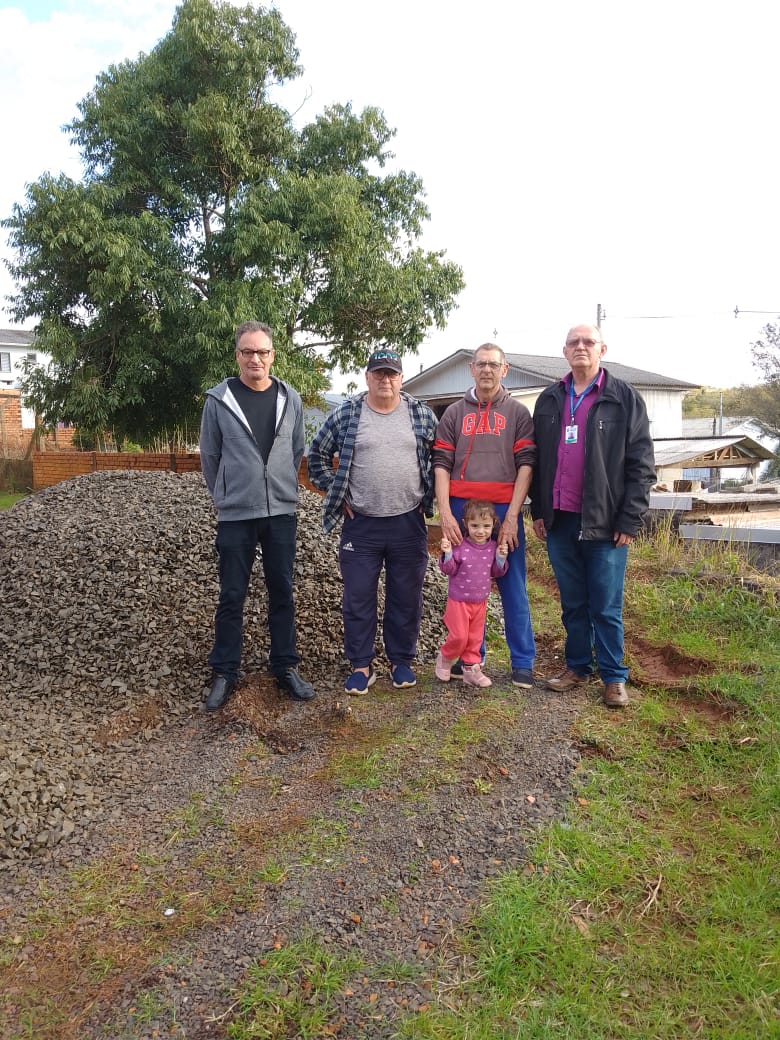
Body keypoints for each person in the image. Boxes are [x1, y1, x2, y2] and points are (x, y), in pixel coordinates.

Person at [530, 323, 655, 708]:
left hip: (604, 521)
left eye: (588, 342)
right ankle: (578, 666)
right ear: (564, 351)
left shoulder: (624, 398)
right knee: (573, 601)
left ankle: (614, 677)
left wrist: (629, 519)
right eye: (574, 342)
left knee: (605, 604)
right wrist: (539, 510)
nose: (580, 347)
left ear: (602, 348)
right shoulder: (550, 399)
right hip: (560, 520)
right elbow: (537, 460)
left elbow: (641, 464)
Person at [199, 320, 316, 710]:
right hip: (236, 514)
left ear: (272, 356)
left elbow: (296, 449)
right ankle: (225, 672)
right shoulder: (219, 401)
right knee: (232, 594)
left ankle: (284, 667)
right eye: (248, 352)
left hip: (281, 511)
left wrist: (278, 487)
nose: (255, 359)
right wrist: (227, 494)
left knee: (282, 591)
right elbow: (211, 458)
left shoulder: (290, 398)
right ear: (237, 355)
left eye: (262, 352)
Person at [307, 348, 437, 694]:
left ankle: (401, 662)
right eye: (378, 373)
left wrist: (436, 499)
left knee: (405, 596)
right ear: (367, 377)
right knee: (359, 595)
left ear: (401, 378)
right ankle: (361, 666)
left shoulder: (420, 415)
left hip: (408, 522)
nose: (385, 379)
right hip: (361, 524)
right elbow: (316, 453)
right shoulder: (348, 413)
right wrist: (335, 491)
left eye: (391, 373)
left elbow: (440, 459)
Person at [433, 343, 537, 688]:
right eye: (481, 364)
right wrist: (445, 513)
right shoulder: (453, 413)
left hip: (504, 508)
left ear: (504, 369)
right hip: (463, 508)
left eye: (494, 364)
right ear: (471, 369)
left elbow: (526, 466)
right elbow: (441, 465)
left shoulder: (519, 414)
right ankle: (470, 660)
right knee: (465, 584)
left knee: (511, 584)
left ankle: (522, 661)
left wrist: (512, 517)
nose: (487, 370)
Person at [436, 500, 509, 688]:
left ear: (494, 524)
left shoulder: (493, 547)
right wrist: (447, 553)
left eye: (486, 526)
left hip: (480, 602)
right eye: (475, 525)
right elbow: (448, 569)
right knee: (459, 636)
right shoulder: (460, 546)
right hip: (458, 601)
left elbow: (496, 572)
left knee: (475, 639)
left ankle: (471, 669)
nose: (480, 531)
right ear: (466, 524)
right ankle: (445, 657)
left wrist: (501, 558)